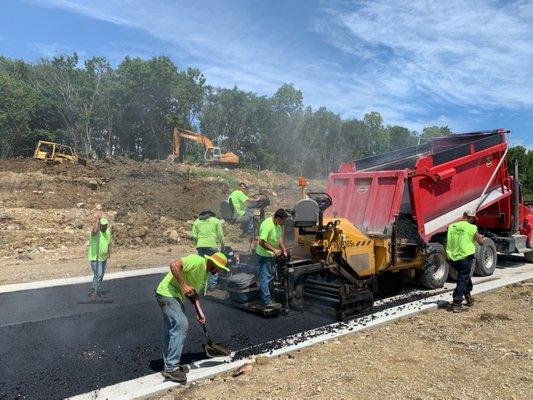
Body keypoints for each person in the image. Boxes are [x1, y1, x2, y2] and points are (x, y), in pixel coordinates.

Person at [155, 252, 229, 383]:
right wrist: (184, 286)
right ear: (213, 263)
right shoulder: (197, 261)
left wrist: (200, 312)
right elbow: (174, 265)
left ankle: (170, 365)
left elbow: (194, 295)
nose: (218, 271)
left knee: (172, 329)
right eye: (218, 268)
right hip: (168, 293)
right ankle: (171, 368)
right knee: (181, 325)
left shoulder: (204, 276)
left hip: (174, 296)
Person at [446, 210, 484, 313]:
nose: (473, 221)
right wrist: (482, 239)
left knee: (465, 277)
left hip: (453, 258)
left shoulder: (452, 227)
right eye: (473, 219)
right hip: (465, 257)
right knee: (462, 279)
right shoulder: (471, 228)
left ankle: (468, 298)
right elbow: (480, 242)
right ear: (470, 217)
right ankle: (457, 303)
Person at [256, 208, 289, 310]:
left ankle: (270, 297)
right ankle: (266, 302)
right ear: (278, 218)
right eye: (283, 220)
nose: (283, 223)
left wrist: (284, 250)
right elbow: (261, 242)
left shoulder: (279, 224)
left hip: (271, 256)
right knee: (265, 278)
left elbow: (279, 238)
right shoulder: (267, 225)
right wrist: (275, 250)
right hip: (264, 255)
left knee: (270, 276)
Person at [191, 210, 225, 290]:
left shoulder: (196, 222)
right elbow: (220, 234)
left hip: (200, 246)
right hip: (211, 246)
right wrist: (223, 244)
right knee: (214, 265)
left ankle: (202, 285)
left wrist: (198, 243)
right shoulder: (215, 221)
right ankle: (212, 285)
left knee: (203, 265)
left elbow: (194, 236)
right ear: (211, 214)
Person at [88, 211, 111, 297]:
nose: (104, 227)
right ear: (100, 225)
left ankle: (97, 289)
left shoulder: (107, 232)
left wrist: (109, 251)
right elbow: (94, 230)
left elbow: (109, 242)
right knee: (98, 274)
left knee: (101, 275)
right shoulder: (96, 232)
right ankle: (94, 290)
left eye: (106, 225)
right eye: (103, 225)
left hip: (104, 258)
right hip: (95, 258)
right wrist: (97, 219)